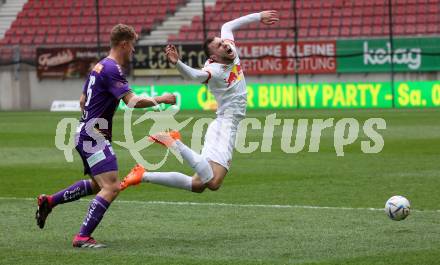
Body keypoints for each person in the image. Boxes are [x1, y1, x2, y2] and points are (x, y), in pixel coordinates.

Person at [35, 24, 176, 248]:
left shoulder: (98, 66)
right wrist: (162, 99)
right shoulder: (112, 68)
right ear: (124, 43)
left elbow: (83, 101)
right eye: (132, 45)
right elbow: (131, 101)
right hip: (93, 135)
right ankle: (82, 237)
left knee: (96, 184)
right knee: (112, 187)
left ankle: (50, 201)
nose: (133, 51)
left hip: (85, 131)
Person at [120, 11, 279, 193]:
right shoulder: (214, 70)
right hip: (225, 126)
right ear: (214, 57)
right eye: (219, 46)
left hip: (224, 125)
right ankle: (174, 142)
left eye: (222, 42)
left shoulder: (230, 49)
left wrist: (259, 16)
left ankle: (143, 175)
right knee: (213, 182)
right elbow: (194, 75)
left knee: (198, 184)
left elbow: (227, 26)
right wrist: (178, 63)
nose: (224, 44)